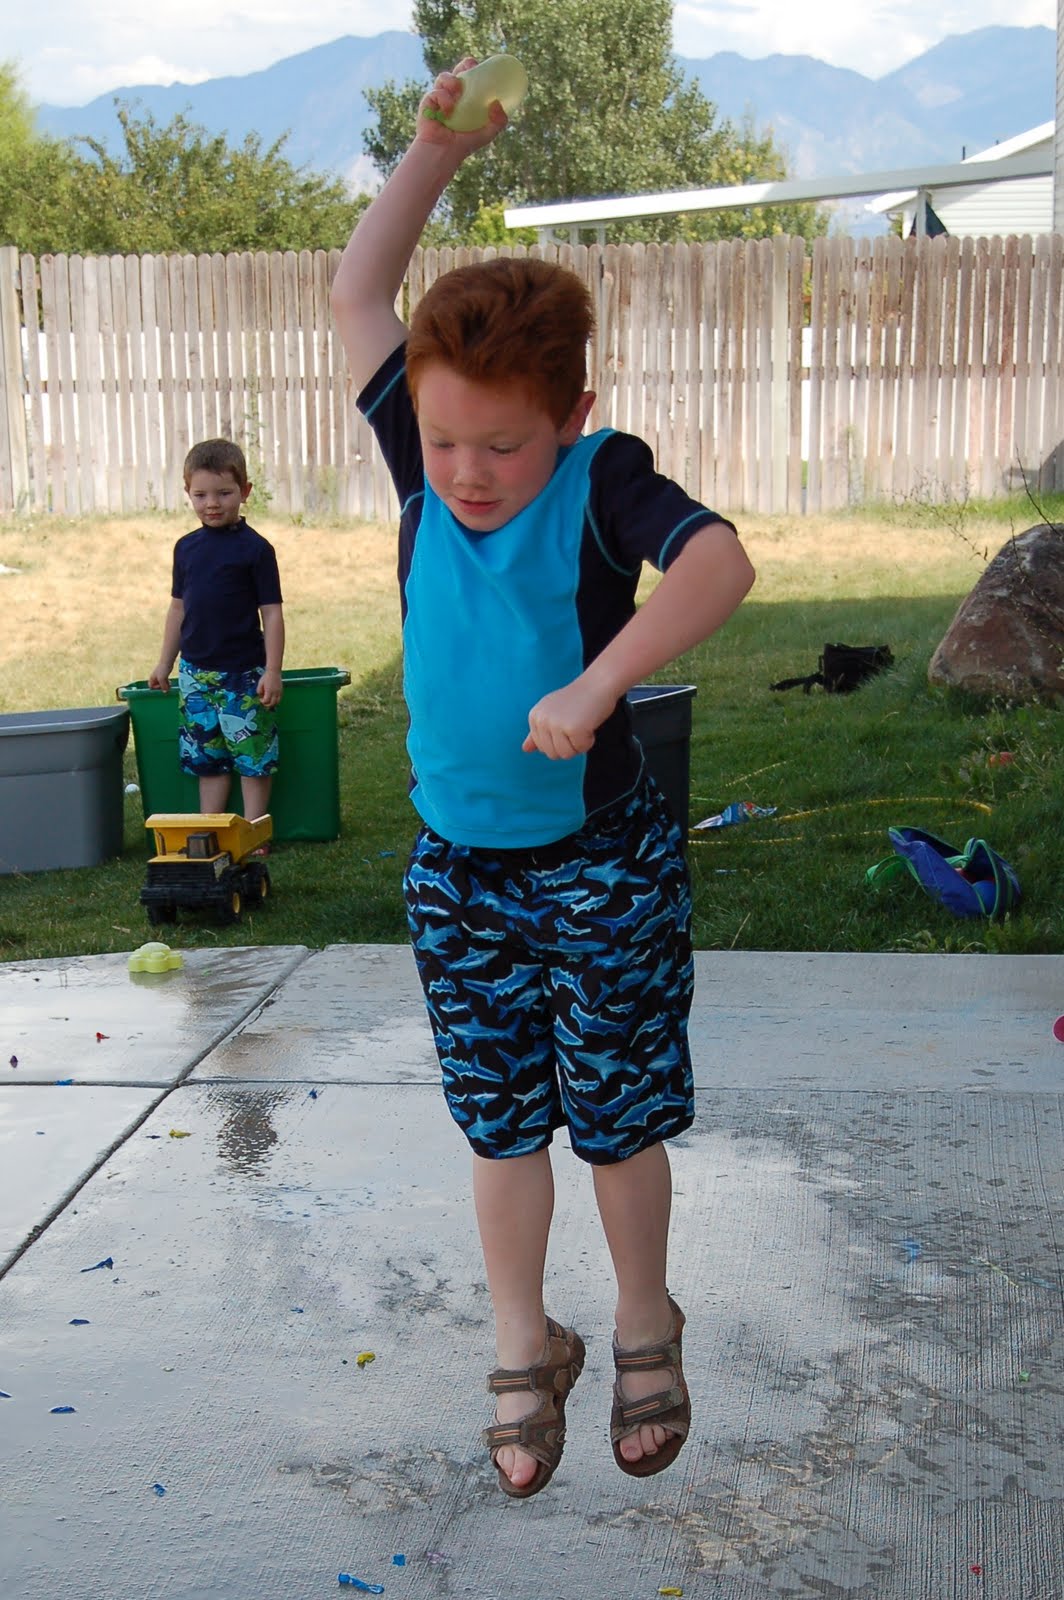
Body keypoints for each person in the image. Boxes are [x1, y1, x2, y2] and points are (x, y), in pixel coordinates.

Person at [330, 60, 756, 1500]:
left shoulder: (600, 476)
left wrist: (597, 681)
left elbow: (718, 565)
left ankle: (643, 1318)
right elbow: (357, 293)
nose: (465, 470)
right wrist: (433, 152)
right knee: (499, 1119)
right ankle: (527, 1334)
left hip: (599, 863)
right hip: (457, 867)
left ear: (571, 411)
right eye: (444, 437)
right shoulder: (422, 455)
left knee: (617, 1116)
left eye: (502, 444)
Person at [148, 439, 285, 830]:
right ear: (187, 493)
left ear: (245, 491)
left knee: (253, 757)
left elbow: (272, 613)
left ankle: (255, 830)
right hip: (195, 676)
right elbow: (178, 608)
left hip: (244, 675)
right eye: (201, 495)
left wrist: (272, 670)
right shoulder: (186, 549)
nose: (212, 503)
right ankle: (212, 829)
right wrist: (164, 663)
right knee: (207, 759)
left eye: (224, 493)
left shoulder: (256, 550)